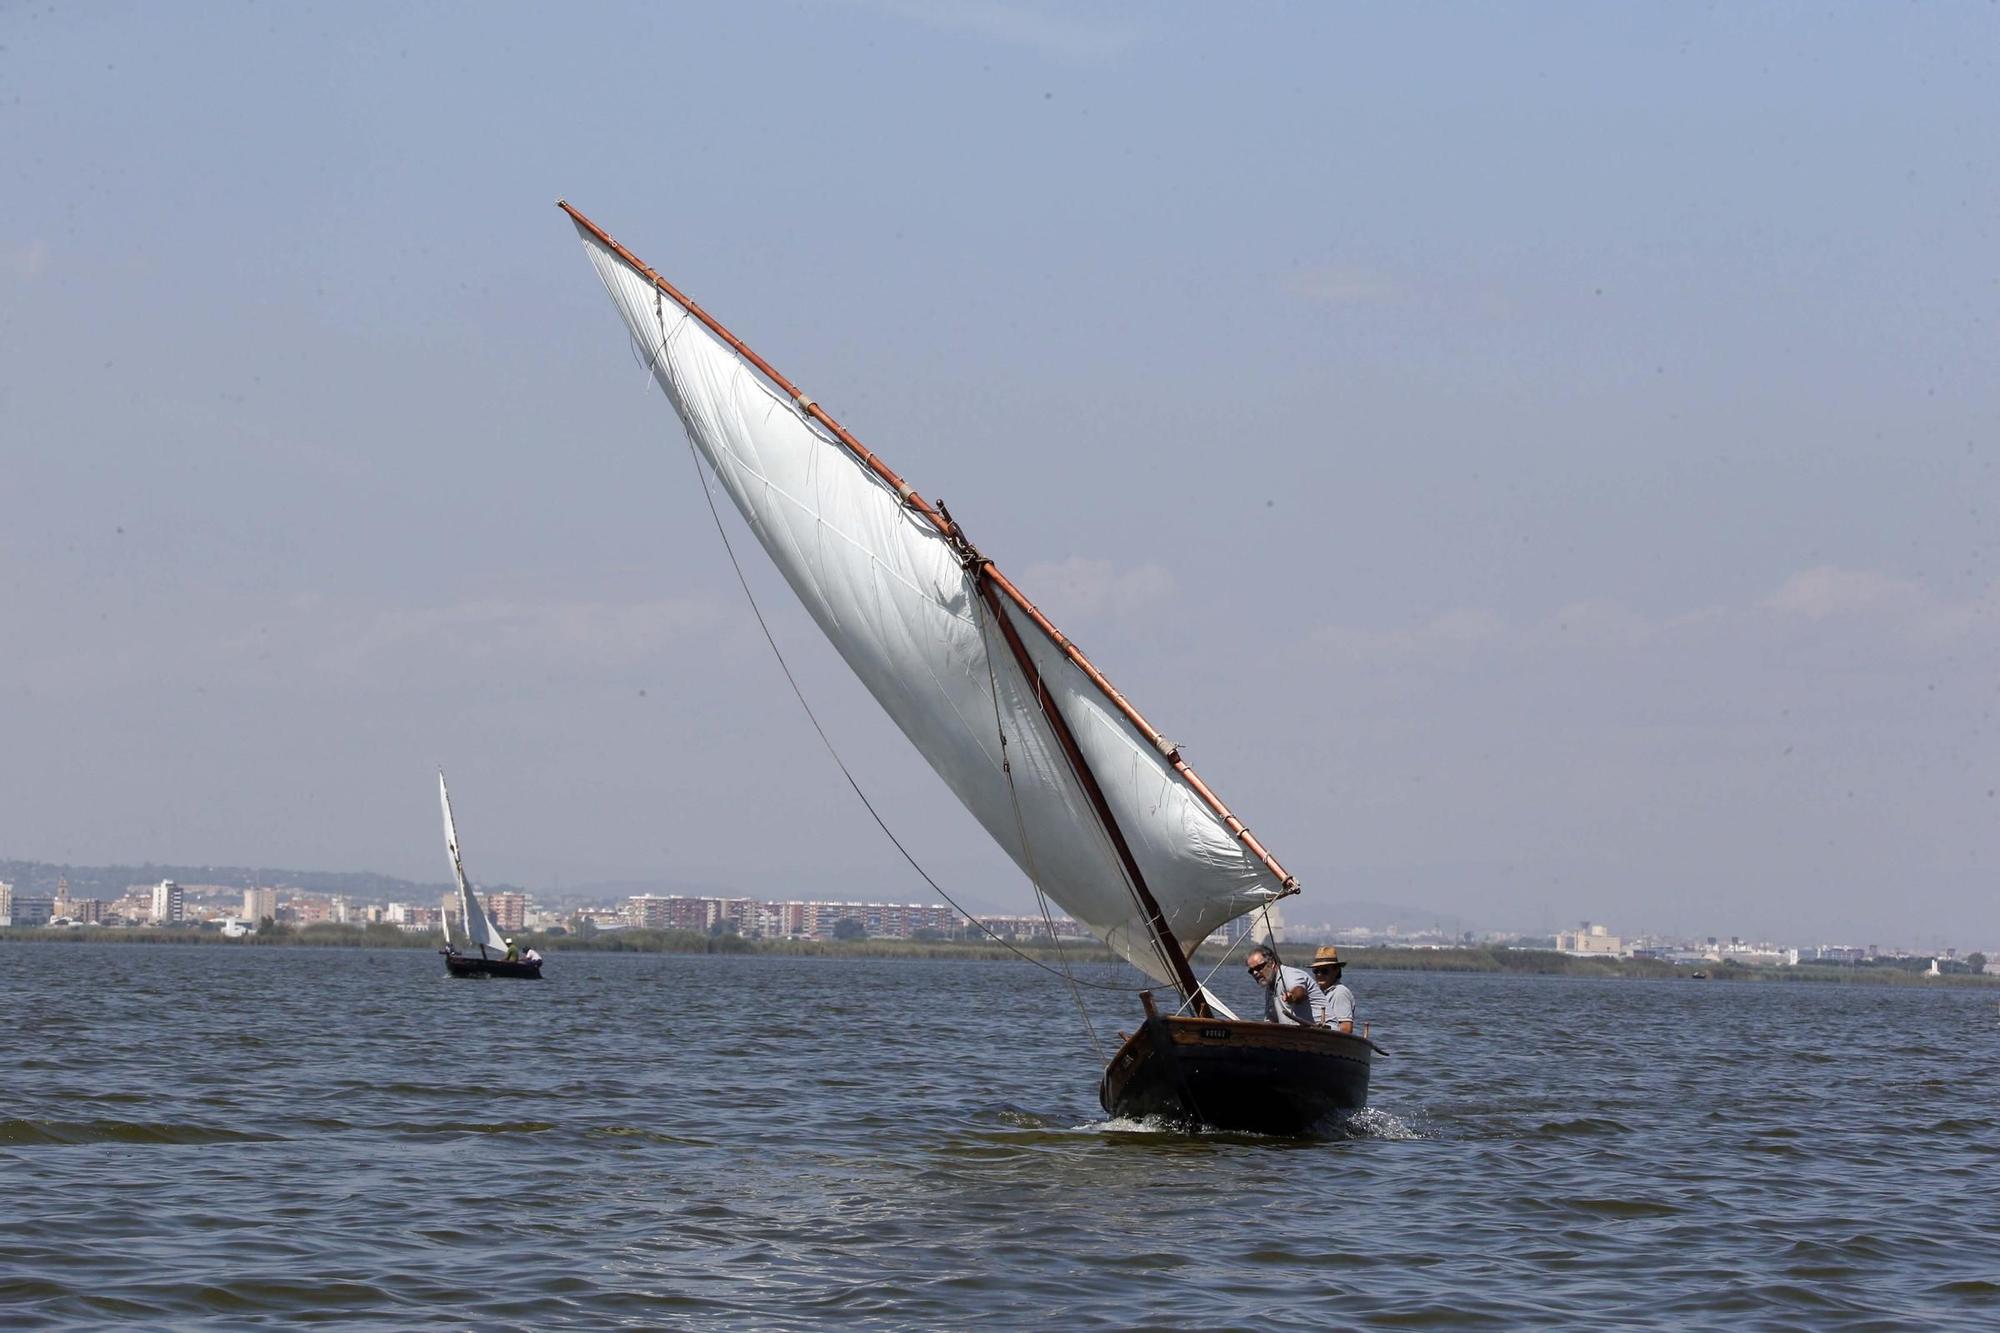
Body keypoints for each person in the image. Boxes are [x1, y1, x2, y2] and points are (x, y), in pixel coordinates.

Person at [1246, 945, 1322, 1025]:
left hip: (1324, 1032)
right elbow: (1271, 1021)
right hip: (1296, 1033)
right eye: (1251, 971)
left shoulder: (1289, 974)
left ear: (1272, 963)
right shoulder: (1270, 988)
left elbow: (1299, 991)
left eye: (1258, 968)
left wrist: (1292, 997)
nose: (1255, 973)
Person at [1310, 945, 1356, 1034]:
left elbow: (1346, 1029)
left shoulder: (1339, 993)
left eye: (1324, 971)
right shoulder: (1317, 992)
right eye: (1316, 971)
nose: (1319, 975)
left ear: (1336, 971)